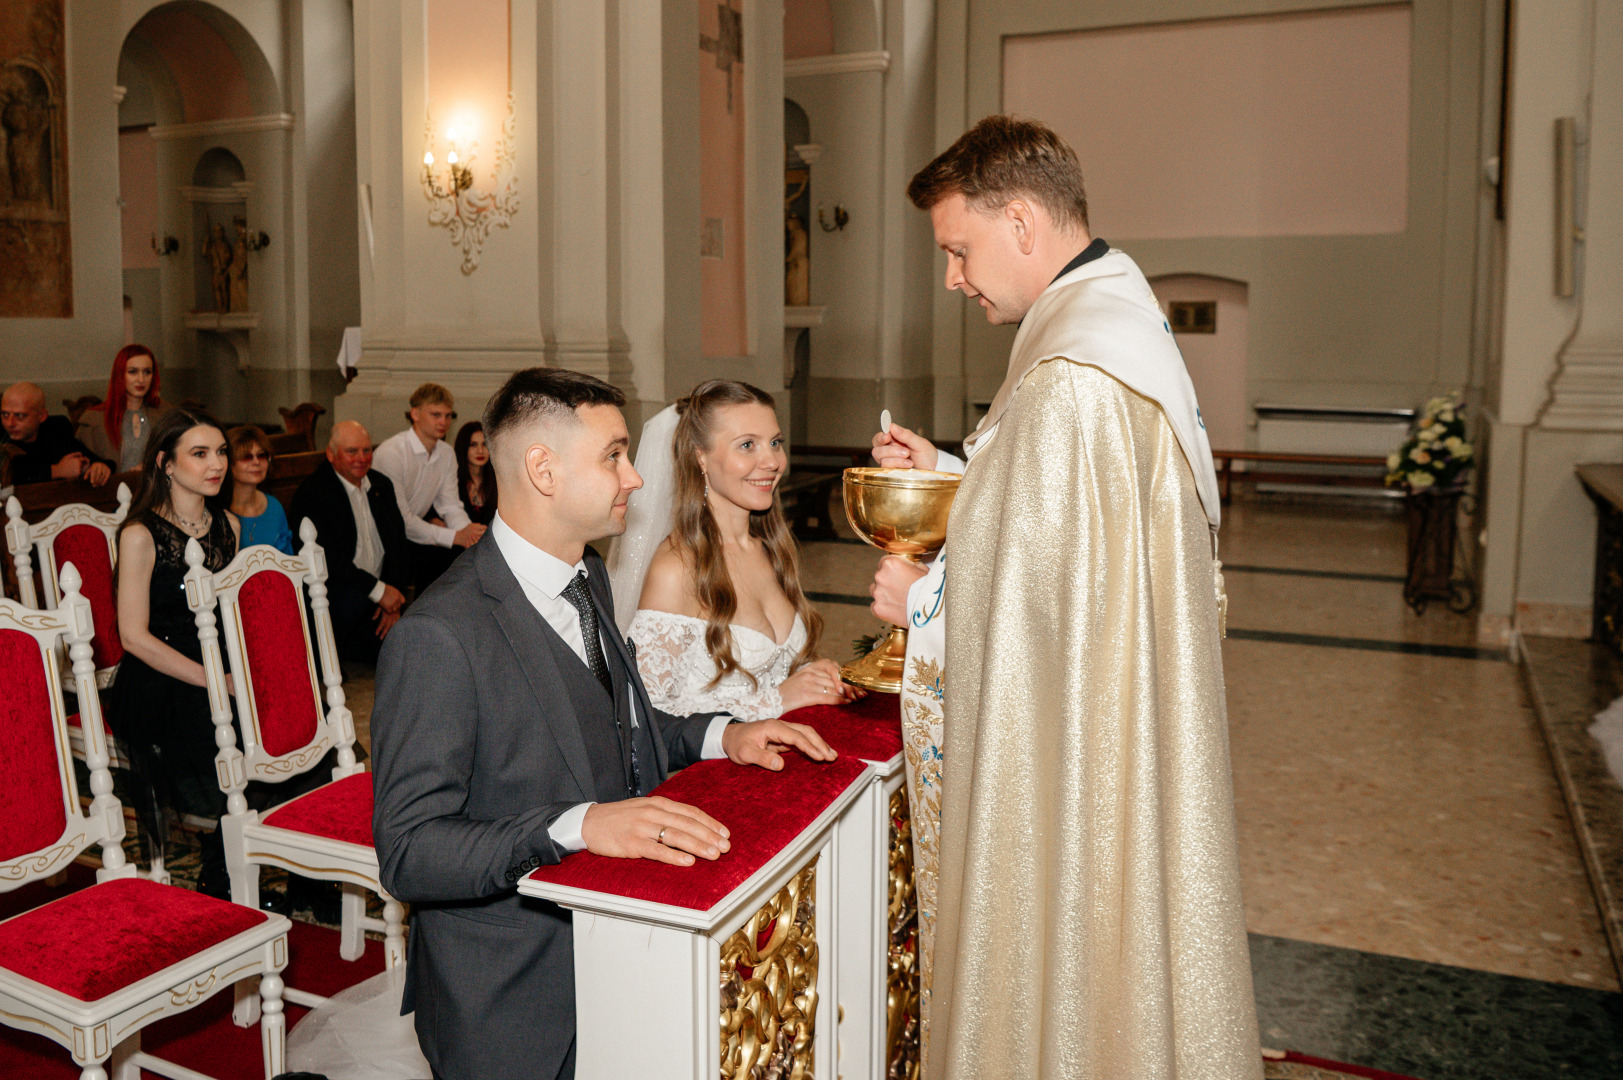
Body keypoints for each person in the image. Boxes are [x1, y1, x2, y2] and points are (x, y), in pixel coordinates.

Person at [866, 116, 1260, 1079]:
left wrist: (922, 602)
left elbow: (1046, 612)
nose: (954, 277)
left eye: (960, 249)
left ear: (1026, 224)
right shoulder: (1108, 320)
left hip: (1079, 743)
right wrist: (962, 478)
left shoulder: (1071, 377)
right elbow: (1074, 539)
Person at [370, 367, 838, 1080]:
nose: (636, 477)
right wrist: (578, 825)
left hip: (615, 956)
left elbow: (623, 726)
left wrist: (724, 734)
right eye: (613, 455)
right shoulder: (440, 635)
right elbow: (410, 851)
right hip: (515, 994)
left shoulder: (586, 574)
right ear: (543, 469)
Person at [610, 379, 859, 720]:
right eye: (747, 445)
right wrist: (776, 700)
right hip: (715, 770)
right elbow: (649, 717)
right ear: (700, 458)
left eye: (775, 442)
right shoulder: (677, 569)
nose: (772, 461)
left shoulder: (770, 548)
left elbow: (775, 671)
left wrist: (812, 676)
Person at [109, 408, 240, 898]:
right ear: (166, 463)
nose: (217, 464)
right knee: (222, 742)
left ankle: (240, 865)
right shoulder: (141, 534)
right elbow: (132, 637)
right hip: (159, 676)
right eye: (200, 454)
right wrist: (212, 679)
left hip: (218, 665)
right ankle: (219, 875)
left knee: (289, 733)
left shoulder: (228, 524)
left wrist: (237, 673)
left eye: (221, 452)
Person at [289, 421, 410, 666]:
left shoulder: (380, 485)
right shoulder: (313, 493)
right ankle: (326, 655)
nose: (361, 458)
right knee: (351, 603)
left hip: (377, 596)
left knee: (397, 654)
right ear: (331, 454)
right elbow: (326, 560)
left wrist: (393, 598)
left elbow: (398, 543)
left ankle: (345, 649)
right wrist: (378, 590)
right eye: (352, 451)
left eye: (367, 450)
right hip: (338, 594)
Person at [372, 383, 487, 593]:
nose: (443, 422)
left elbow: (450, 506)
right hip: (381, 538)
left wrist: (468, 532)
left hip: (412, 536)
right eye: (436, 415)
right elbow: (400, 520)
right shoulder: (392, 453)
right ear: (415, 414)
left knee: (460, 559)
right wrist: (456, 537)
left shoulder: (445, 453)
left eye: (448, 415)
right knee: (441, 559)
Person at [1, 381, 112, 486]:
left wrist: (98, 467)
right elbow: (10, 475)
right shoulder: (2, 434)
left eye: (19, 416)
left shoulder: (56, 429)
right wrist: (56, 471)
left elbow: (91, 458)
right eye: (5, 414)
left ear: (41, 416)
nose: (10, 423)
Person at [81, 344, 165, 472]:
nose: (141, 379)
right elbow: (82, 465)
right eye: (133, 372)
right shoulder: (94, 419)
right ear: (120, 374)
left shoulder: (164, 413)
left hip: (153, 488)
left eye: (147, 372)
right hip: (110, 490)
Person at [228, 425, 294, 554]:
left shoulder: (274, 506)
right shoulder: (218, 510)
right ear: (229, 463)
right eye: (247, 457)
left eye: (262, 455)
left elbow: (288, 560)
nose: (256, 462)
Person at [452, 420, 497, 526]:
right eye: (473, 445)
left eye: (485, 444)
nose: (480, 451)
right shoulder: (452, 480)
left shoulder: (498, 481)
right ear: (463, 447)